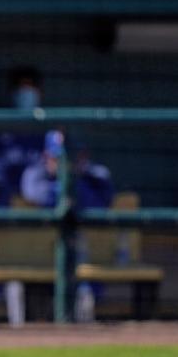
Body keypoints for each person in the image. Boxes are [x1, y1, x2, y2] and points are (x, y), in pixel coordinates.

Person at [21, 129, 114, 321]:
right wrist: (68, 190)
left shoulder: (95, 176)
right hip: (37, 260)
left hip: (85, 260)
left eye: (74, 156)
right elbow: (37, 193)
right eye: (58, 157)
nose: (66, 163)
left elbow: (101, 202)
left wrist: (75, 185)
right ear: (47, 156)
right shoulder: (34, 174)